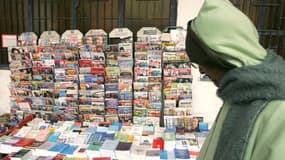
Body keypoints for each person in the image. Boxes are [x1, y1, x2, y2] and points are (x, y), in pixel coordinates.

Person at [185, 0, 285, 160]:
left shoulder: (279, 110)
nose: (202, 70)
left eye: (202, 62)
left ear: (224, 58)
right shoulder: (239, 94)